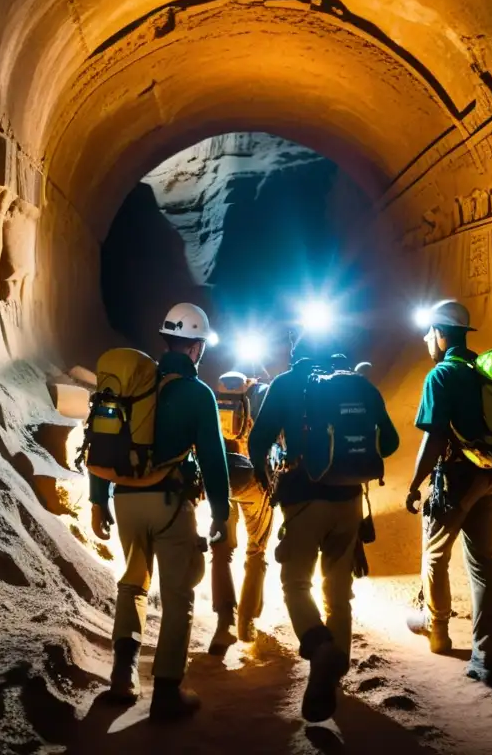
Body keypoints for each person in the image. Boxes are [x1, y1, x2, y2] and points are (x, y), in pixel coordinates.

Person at [249, 332, 400, 723]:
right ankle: (333, 680)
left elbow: (258, 440)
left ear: (295, 354)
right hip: (349, 502)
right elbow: (391, 442)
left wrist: (270, 482)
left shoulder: (284, 384)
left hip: (303, 499)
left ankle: (318, 649)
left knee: (296, 583)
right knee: (338, 591)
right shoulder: (356, 384)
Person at [89, 302, 230, 720]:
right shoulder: (197, 394)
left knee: (132, 583)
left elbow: (103, 439)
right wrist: (220, 514)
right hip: (169, 503)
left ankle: (123, 675)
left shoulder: (134, 386)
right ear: (196, 347)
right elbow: (213, 459)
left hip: (125, 500)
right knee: (177, 595)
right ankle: (167, 690)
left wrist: (98, 499)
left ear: (167, 339)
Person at [404, 300, 492, 685]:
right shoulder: (485, 370)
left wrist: (415, 484)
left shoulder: (442, 375)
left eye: (429, 333)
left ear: (440, 333)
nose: (427, 341)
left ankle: (438, 631)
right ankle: (488, 654)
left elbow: (433, 438)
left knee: (434, 557)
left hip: (456, 481)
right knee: (483, 563)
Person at [208, 372, 274, 652]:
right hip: (254, 481)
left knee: (221, 550)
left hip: (222, 479)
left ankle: (224, 623)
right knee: (256, 551)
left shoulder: (215, 395)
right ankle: (246, 622)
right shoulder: (260, 395)